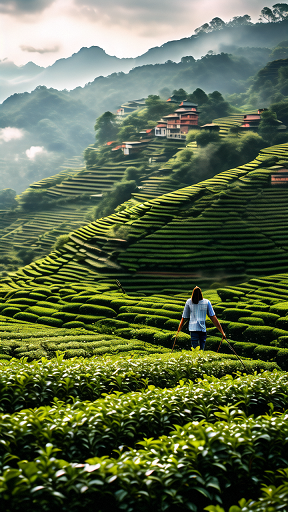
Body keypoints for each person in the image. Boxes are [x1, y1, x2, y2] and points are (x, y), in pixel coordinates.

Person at [177, 286, 226, 350]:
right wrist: (222, 332)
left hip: (193, 329)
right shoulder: (206, 302)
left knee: (195, 349)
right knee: (202, 349)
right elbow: (213, 317)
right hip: (202, 329)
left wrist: (178, 330)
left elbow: (184, 317)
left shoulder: (189, 302)